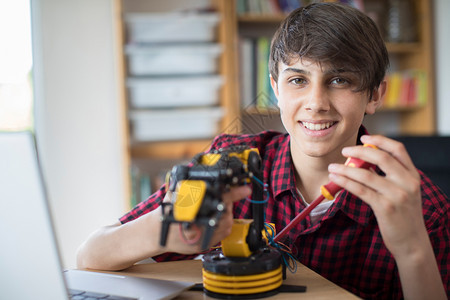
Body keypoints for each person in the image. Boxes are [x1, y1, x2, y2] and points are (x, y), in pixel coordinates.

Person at [77, 3, 449, 299]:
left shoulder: (421, 208)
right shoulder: (228, 161)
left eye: (340, 80)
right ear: (275, 87)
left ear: (375, 94)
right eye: (298, 80)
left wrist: (412, 249)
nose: (316, 103)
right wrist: (163, 230)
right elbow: (89, 257)